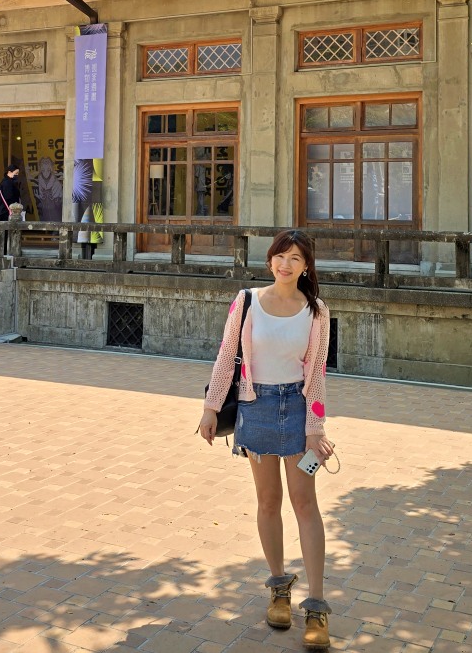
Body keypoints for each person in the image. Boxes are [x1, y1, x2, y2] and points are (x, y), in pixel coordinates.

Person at [197, 229, 334, 650]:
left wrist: (316, 430)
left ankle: (315, 605)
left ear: (306, 266)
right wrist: (210, 408)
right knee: (267, 501)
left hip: (295, 409)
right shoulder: (248, 301)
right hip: (254, 406)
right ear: (270, 260)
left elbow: (316, 376)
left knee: (305, 503)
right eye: (280, 256)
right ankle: (278, 588)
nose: (286, 264)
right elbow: (226, 357)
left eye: (295, 258)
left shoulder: (316, 311)